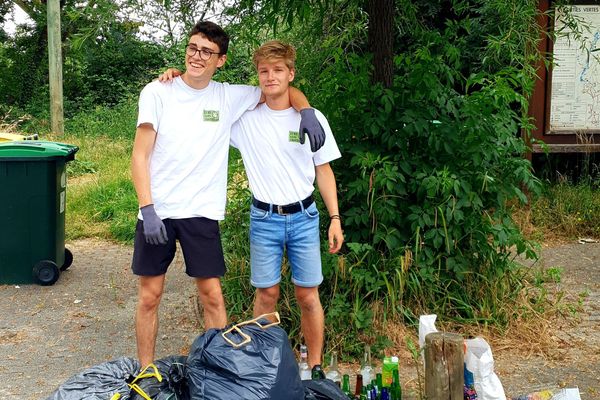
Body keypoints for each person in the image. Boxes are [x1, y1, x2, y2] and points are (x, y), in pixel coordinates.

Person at [131, 21, 325, 367]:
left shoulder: (229, 96)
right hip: (157, 211)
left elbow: (277, 89)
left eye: (207, 52)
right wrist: (147, 207)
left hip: (201, 212)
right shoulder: (157, 91)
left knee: (212, 297)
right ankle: (145, 369)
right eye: (192, 48)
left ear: (220, 60)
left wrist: (307, 110)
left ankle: (216, 373)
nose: (197, 56)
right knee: (149, 296)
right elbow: (140, 154)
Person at [230, 40, 344, 376]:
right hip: (264, 216)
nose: (270, 77)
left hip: (304, 217)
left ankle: (316, 367)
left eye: (278, 70)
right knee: (266, 294)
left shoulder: (311, 117)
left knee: (308, 295)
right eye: (264, 71)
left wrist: (334, 218)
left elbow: (323, 170)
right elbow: (203, 102)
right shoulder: (244, 118)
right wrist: (176, 76)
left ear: (291, 73)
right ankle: (261, 367)